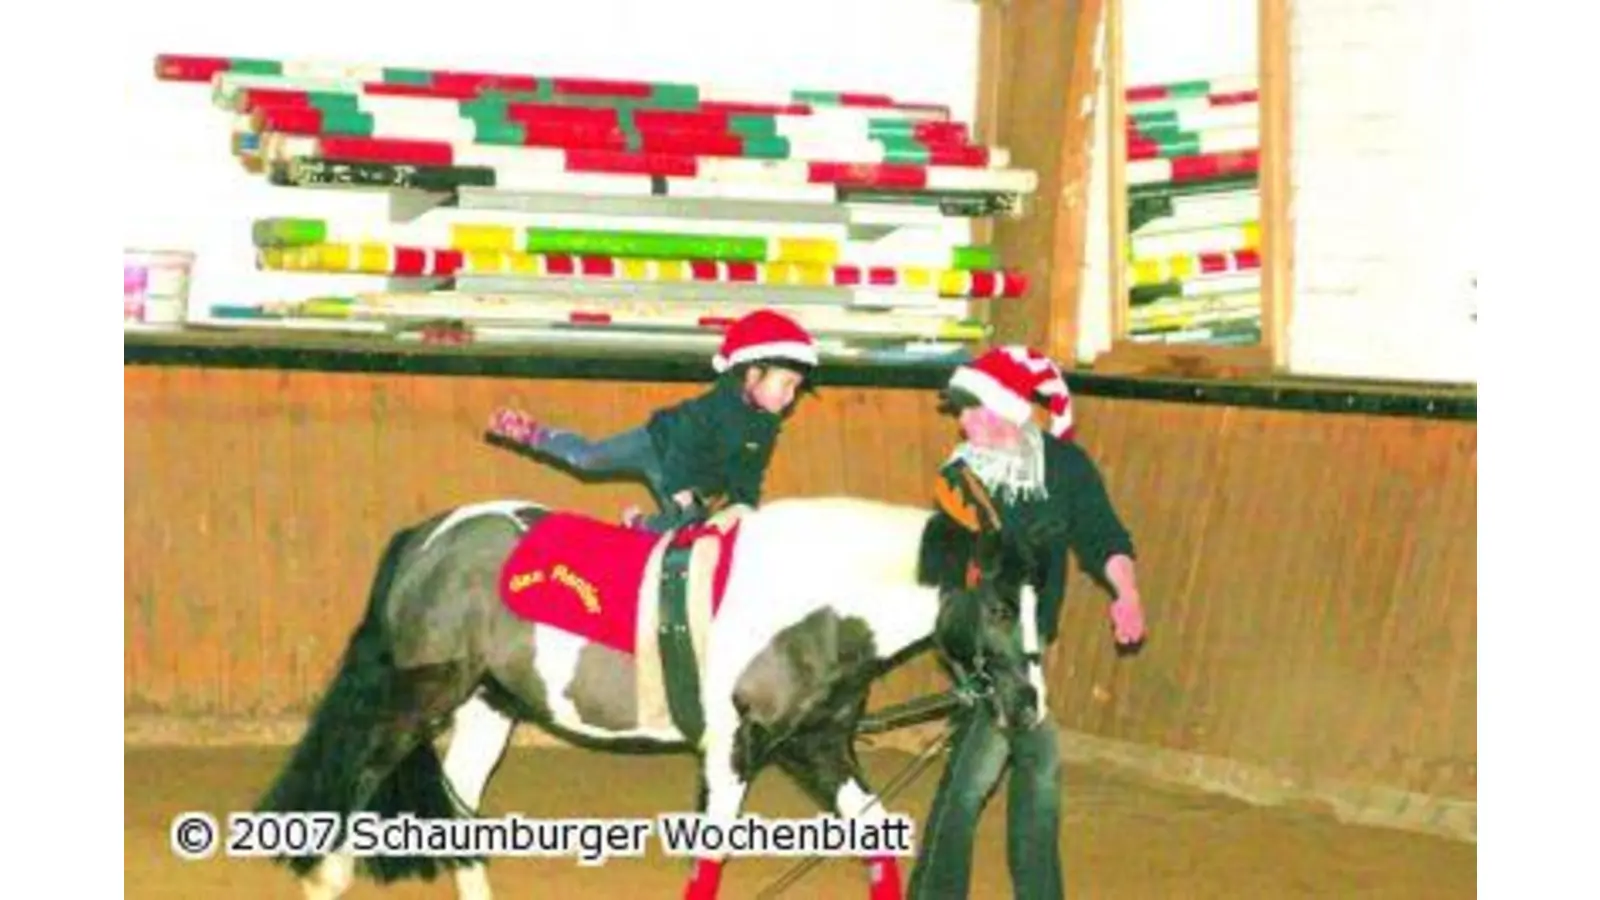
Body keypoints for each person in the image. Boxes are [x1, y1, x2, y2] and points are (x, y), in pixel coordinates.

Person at [909, 345, 1149, 900]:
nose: (963, 422)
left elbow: (1103, 536)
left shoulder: (1066, 467)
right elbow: (944, 577)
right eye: (961, 411)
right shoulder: (959, 479)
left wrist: (1127, 592)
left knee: (1006, 770)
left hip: (1029, 640)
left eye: (971, 410)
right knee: (1008, 770)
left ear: (1005, 411)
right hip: (990, 643)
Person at [488, 309, 818, 532]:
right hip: (658, 445)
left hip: (691, 473)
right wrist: (681, 491)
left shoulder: (766, 426)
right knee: (588, 458)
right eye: (786, 384)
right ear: (752, 374)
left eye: (796, 388)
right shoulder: (713, 408)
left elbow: (749, 472)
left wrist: (745, 507)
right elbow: (681, 451)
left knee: (687, 528)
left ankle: (638, 527)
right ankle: (533, 434)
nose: (791, 396)